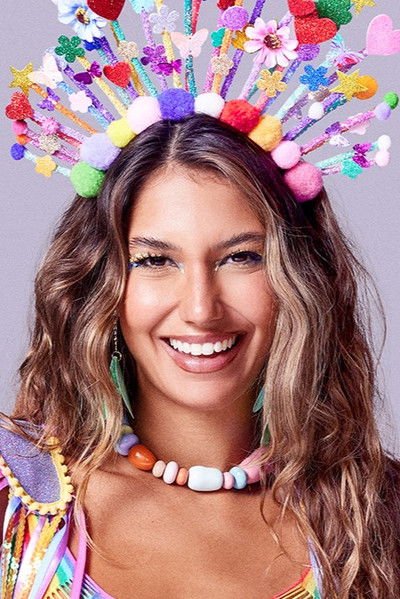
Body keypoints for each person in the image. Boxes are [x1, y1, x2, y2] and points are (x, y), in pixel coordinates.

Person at [1, 1, 400, 597]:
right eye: (154, 261)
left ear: (302, 279)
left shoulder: (378, 514)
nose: (200, 308)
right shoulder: (15, 503)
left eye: (241, 257)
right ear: (97, 282)